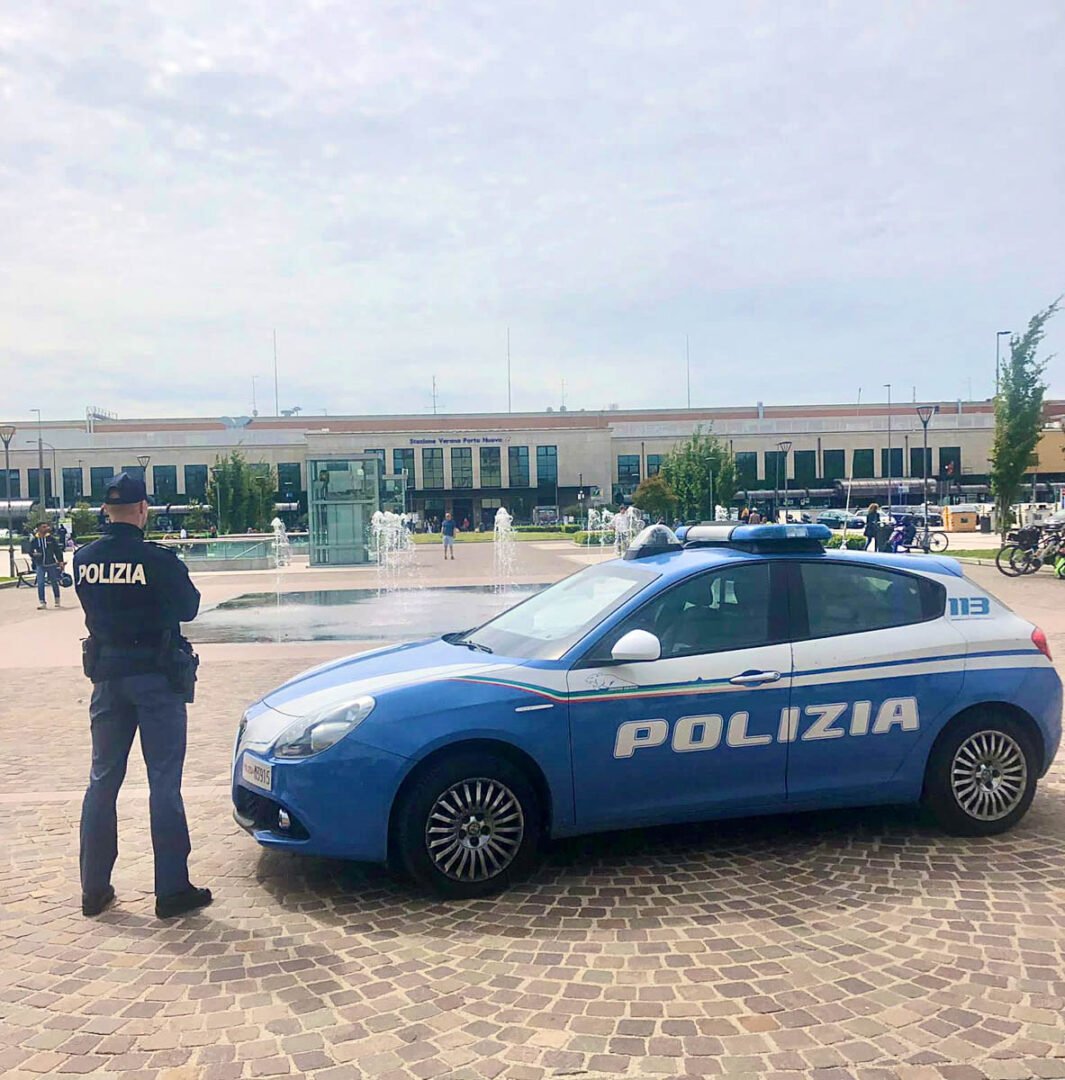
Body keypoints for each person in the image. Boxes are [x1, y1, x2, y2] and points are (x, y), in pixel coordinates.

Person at [74, 472, 210, 920]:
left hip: (107, 679)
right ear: (142, 509)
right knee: (163, 782)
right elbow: (189, 608)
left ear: (105, 510)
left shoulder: (84, 558)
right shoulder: (158, 559)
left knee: (102, 781)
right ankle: (171, 890)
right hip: (155, 679)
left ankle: (94, 889)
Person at [29, 522, 65, 609]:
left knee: (54, 582)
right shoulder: (34, 540)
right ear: (38, 529)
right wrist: (34, 555)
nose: (46, 528)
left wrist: (60, 561)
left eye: (46, 526)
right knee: (40, 583)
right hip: (40, 564)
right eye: (44, 527)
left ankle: (57, 599)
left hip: (51, 564)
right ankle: (42, 602)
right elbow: (30, 551)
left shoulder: (51, 539)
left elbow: (57, 550)